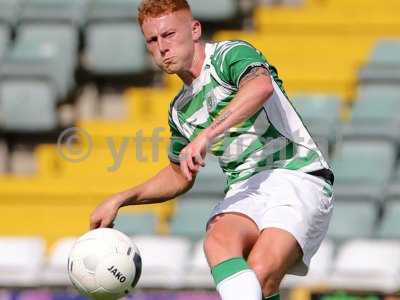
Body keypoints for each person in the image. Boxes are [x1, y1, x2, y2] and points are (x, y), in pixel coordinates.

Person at [89, 1, 335, 299]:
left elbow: (260, 87)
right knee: (217, 241)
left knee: (260, 272)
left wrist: (207, 135)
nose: (162, 47)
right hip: (247, 188)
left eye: (169, 34)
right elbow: (179, 175)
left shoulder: (228, 56)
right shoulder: (180, 109)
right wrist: (120, 198)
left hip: (298, 176)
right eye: (152, 41)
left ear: (195, 30)